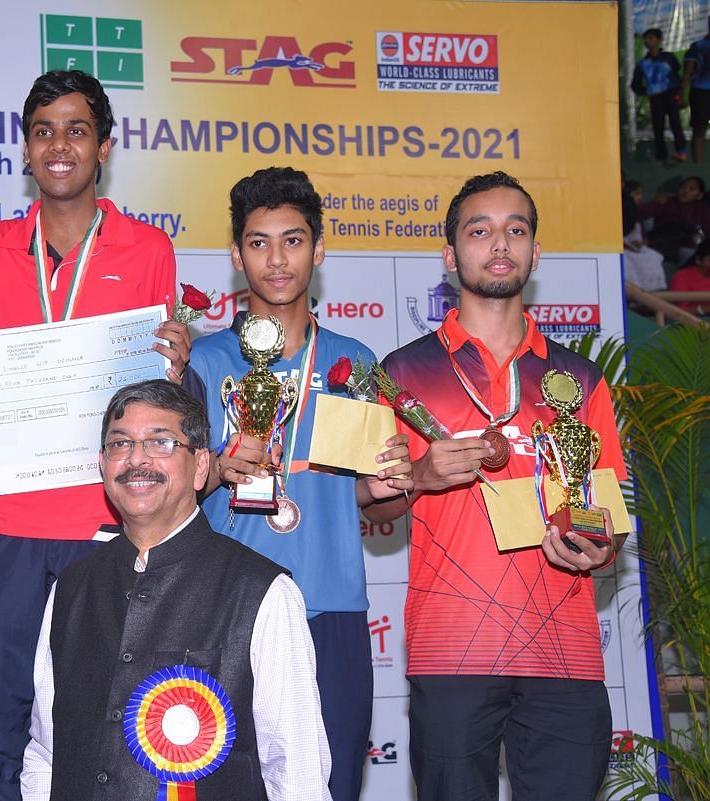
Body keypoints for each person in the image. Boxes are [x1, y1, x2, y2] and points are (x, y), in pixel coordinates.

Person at [0, 70, 190, 800]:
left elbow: (156, 395)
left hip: (105, 531)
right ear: (26, 150)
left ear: (104, 147)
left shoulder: (148, 249)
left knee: (108, 731)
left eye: (77, 129)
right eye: (44, 130)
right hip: (4, 526)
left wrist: (175, 366)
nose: (60, 145)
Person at [364, 172, 627, 801]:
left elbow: (607, 513)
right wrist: (423, 476)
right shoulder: (403, 372)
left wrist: (600, 546)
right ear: (452, 257)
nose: (499, 243)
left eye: (516, 229)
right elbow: (365, 497)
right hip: (452, 646)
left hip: (565, 649)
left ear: (535, 253)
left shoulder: (579, 378)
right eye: (479, 231)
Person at [186, 166, 412, 801]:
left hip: (330, 603)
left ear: (318, 248)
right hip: (227, 605)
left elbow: (368, 492)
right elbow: (174, 494)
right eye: (258, 243)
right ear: (236, 255)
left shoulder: (355, 360)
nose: (277, 260)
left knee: (332, 785)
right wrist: (215, 470)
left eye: (292, 240)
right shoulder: (205, 362)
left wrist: (398, 476)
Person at [20, 380, 332, 801]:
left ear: (201, 466)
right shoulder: (70, 589)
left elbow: (296, 771)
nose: (137, 460)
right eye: (120, 444)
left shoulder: (262, 592)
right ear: (101, 463)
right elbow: (45, 751)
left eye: (161, 443)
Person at [632, 28, 688, 165]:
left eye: (651, 38)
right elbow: (635, 84)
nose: (647, 41)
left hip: (671, 94)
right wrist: (647, 90)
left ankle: (680, 151)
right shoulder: (642, 63)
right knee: (658, 126)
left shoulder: (669, 58)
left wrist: (678, 91)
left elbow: (677, 72)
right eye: (646, 38)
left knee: (675, 123)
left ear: (659, 40)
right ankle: (661, 156)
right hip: (655, 97)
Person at [638, 175, 710, 264]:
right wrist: (655, 202)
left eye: (692, 189)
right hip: (661, 241)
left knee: (693, 258)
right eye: (683, 187)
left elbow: (705, 231)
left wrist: (696, 241)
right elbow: (643, 215)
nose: (685, 191)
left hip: (687, 245)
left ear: (699, 195)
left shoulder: (702, 209)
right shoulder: (667, 201)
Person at [685, 18, 710, 162]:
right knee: (699, 129)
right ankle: (698, 163)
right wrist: (682, 91)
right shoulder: (698, 46)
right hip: (701, 91)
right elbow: (688, 70)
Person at [671, 238, 710, 314]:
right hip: (693, 322)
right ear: (698, 260)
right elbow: (679, 311)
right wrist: (704, 309)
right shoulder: (682, 276)